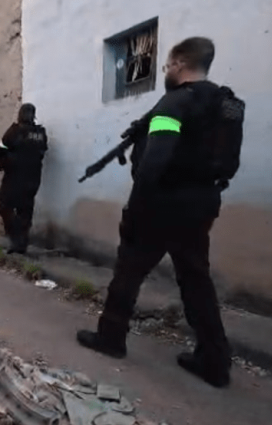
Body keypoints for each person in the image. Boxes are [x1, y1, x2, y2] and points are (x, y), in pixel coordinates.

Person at [76, 37, 245, 389]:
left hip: (162, 204)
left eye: (167, 65)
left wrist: (135, 209)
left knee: (128, 272)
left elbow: (155, 161)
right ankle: (215, 361)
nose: (166, 71)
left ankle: (111, 337)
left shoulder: (173, 104)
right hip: (203, 202)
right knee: (196, 279)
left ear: (181, 63)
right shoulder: (226, 104)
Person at [0, 103, 48, 254]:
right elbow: (41, 153)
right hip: (33, 178)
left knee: (2, 205)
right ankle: (21, 244)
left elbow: (1, 150)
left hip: (15, 177)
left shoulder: (14, 131)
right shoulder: (40, 133)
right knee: (25, 210)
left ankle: (16, 238)